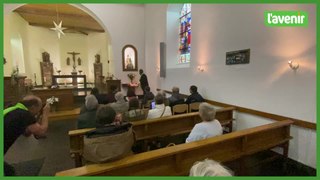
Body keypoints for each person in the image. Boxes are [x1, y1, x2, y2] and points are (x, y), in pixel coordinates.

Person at [4, 95, 50, 176]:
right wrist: (45, 113)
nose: (37, 113)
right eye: (38, 110)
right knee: (9, 173)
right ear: (33, 107)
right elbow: (41, 132)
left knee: (9, 171)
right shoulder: (24, 114)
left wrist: (37, 118)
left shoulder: (12, 110)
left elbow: (26, 133)